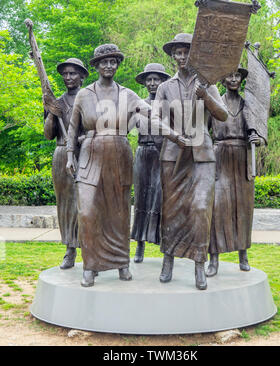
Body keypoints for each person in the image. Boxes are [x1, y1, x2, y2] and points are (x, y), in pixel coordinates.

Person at [66, 44, 150, 287]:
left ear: (117, 64)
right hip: (90, 156)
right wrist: (71, 154)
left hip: (119, 156)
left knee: (119, 212)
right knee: (87, 212)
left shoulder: (128, 94)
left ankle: (121, 262)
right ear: (95, 66)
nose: (109, 65)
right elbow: (73, 128)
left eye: (113, 61)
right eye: (104, 61)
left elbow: (149, 111)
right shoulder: (84, 95)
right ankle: (90, 266)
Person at [152, 33, 228, 290]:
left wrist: (205, 95)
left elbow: (223, 115)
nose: (182, 57)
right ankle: (168, 260)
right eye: (178, 53)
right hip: (173, 156)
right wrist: (174, 136)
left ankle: (198, 264)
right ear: (173, 56)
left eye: (187, 52)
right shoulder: (165, 87)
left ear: (194, 54)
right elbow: (155, 119)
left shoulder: (207, 83)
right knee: (171, 211)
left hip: (202, 156)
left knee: (200, 210)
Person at [206, 68, 263, 277]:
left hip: (243, 157)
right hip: (220, 156)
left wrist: (260, 139)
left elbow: (261, 132)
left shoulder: (248, 104)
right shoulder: (215, 103)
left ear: (241, 79)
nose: (233, 79)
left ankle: (243, 255)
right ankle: (214, 259)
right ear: (222, 80)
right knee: (217, 208)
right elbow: (203, 131)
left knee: (244, 209)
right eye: (229, 75)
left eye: (237, 76)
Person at [44, 58, 89, 269]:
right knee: (65, 204)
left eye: (72, 73)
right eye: (65, 74)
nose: (68, 77)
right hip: (62, 153)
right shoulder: (57, 101)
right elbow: (47, 135)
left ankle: (89, 249)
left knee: (88, 203)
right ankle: (70, 249)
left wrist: (82, 140)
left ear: (81, 76)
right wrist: (52, 115)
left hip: (85, 152)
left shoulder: (89, 98)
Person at [131, 63, 171, 263]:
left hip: (161, 154)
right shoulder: (138, 104)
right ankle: (139, 245)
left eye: (157, 79)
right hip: (142, 153)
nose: (153, 83)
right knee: (141, 198)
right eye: (149, 79)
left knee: (161, 199)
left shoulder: (169, 107)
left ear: (163, 81)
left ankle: (165, 247)